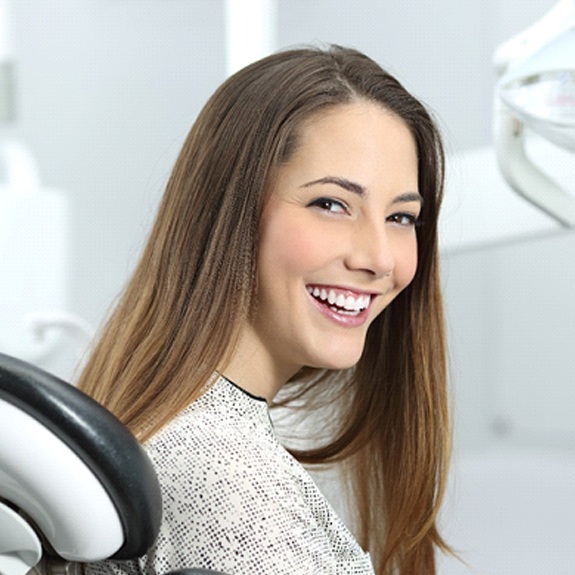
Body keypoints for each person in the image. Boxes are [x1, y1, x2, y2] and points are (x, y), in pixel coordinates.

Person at [79, 45, 451, 575]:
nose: (379, 259)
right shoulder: (226, 474)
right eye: (331, 204)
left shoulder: (181, 429)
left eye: (400, 217)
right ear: (230, 212)